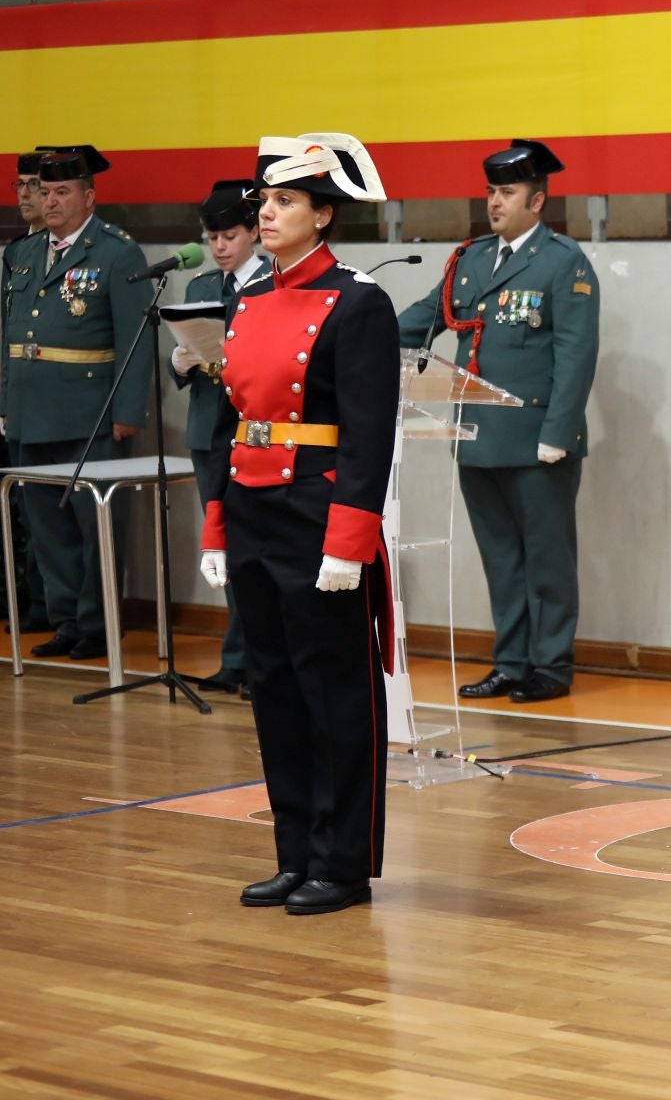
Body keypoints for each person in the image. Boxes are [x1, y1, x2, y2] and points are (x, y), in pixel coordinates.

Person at [198, 133, 400, 916]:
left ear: (323, 215)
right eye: (265, 201)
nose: (266, 213)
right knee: (274, 688)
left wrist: (349, 538)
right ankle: (295, 854)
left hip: (318, 513)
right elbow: (229, 423)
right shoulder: (244, 301)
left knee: (334, 692)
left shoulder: (359, 303)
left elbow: (368, 433)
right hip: (253, 510)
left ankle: (342, 862)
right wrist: (217, 526)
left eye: (284, 201)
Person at [396, 140, 598, 704]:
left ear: (537, 202)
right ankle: (511, 662)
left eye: (506, 193)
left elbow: (576, 355)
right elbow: (422, 320)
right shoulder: (473, 259)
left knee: (547, 561)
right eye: (490, 192)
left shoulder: (563, 262)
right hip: (477, 436)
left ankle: (551, 667)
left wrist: (558, 433)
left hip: (537, 441)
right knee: (502, 561)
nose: (494, 202)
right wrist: (359, 333)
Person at [0, 145, 151, 662]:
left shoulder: (116, 252)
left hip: (89, 413)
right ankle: (65, 620)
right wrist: (4, 403)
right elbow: (7, 338)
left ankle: (97, 622)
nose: (51, 200)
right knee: (45, 525)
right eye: (44, 191)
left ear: (89, 196)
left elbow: (136, 339)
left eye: (62, 191)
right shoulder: (21, 253)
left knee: (94, 525)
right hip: (27, 411)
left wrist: (128, 412)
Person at [171, 180, 267, 695]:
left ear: (255, 230)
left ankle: (261, 661)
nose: (220, 247)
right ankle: (236, 658)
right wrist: (180, 360)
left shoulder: (274, 284)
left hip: (256, 432)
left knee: (256, 549)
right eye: (212, 238)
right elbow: (184, 360)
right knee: (222, 551)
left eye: (230, 235)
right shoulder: (200, 288)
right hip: (210, 432)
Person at [4, 153, 50, 632]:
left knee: (59, 517)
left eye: (33, 185)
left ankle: (58, 610)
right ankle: (37, 604)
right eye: (20, 185)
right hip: (20, 400)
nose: (25, 195)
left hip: (64, 404)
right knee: (26, 510)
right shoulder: (17, 253)